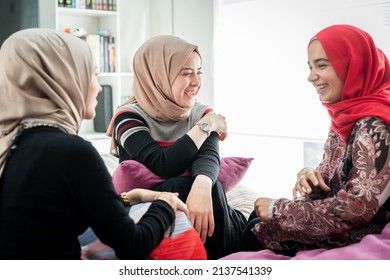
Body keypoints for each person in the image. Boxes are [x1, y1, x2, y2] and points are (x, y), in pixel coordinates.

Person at [0, 28, 188, 260]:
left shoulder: (11, 145)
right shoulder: (71, 152)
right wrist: (165, 204)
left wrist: (133, 197)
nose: (99, 87)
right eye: (93, 74)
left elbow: (50, 211)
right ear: (64, 80)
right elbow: (133, 244)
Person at [243, 24, 390, 255]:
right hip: (340, 223)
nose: (311, 77)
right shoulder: (345, 116)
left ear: (352, 64)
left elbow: (358, 208)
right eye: (310, 66)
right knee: (254, 220)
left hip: (362, 231)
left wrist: (277, 209)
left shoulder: (375, 124)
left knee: (255, 228)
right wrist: (310, 176)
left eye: (321, 65)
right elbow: (331, 180)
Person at [107, 35, 247, 259]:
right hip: (151, 206)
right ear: (158, 75)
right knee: (177, 183)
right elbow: (163, 165)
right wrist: (207, 125)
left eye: (199, 71)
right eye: (186, 73)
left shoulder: (199, 111)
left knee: (207, 184)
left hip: (208, 206)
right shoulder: (127, 117)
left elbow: (209, 157)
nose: (197, 82)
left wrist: (202, 185)